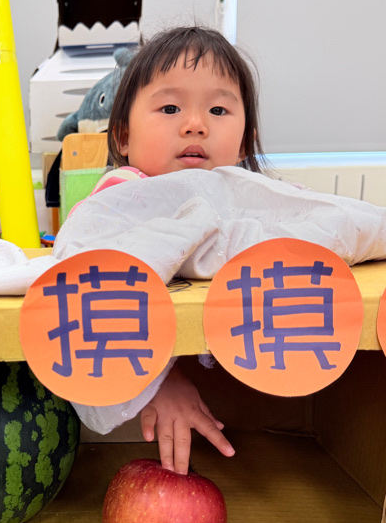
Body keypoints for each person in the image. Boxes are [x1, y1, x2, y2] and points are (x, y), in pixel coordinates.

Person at [93, 25, 265, 475]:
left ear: (244, 142)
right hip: (134, 418)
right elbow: (100, 293)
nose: (195, 124)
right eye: (170, 108)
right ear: (123, 137)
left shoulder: (246, 197)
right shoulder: (123, 193)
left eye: (218, 110)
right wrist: (160, 379)